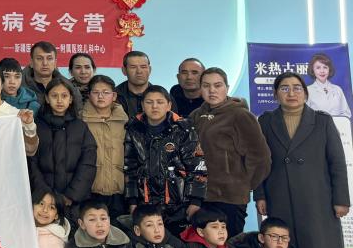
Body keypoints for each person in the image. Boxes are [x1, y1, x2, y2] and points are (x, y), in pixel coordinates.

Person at [254, 71, 349, 248]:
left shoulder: (322, 121)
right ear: (276, 94)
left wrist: (341, 199)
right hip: (280, 198)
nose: (291, 93)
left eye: (297, 88)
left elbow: (337, 162)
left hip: (318, 200)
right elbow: (260, 162)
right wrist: (260, 195)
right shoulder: (266, 121)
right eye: (284, 88)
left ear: (305, 93)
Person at [191, 67, 271, 238]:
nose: (212, 90)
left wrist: (244, 184)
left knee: (229, 245)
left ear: (227, 88)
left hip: (230, 197)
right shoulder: (195, 116)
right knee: (203, 246)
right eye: (206, 85)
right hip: (201, 196)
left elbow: (261, 158)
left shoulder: (240, 115)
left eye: (217, 85)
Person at [124, 87, 205, 237]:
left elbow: (197, 167)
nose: (154, 106)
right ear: (142, 105)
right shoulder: (134, 129)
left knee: (177, 246)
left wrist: (196, 201)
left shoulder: (184, 129)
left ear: (168, 105)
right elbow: (130, 168)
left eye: (160, 102)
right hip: (145, 204)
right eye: (149, 102)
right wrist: (132, 201)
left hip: (179, 205)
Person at [28, 77, 95, 217]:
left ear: (71, 99)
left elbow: (88, 163)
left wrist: (71, 195)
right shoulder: (36, 126)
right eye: (54, 96)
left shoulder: (80, 127)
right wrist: (44, 194)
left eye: (64, 96)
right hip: (42, 201)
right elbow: (31, 161)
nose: (59, 100)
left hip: (74, 202)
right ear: (47, 99)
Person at [79, 75, 129, 219]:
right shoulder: (80, 121)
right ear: (89, 95)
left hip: (120, 192)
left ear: (114, 96)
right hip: (89, 190)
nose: (100, 96)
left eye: (106, 92)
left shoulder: (126, 122)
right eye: (96, 92)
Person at [23, 42, 82, 111]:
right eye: (39, 58)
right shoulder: (18, 87)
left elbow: (77, 113)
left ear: (55, 63)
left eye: (49, 58)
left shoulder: (70, 88)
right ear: (31, 62)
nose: (45, 63)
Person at [306, 53, 352, 118]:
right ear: (312, 70)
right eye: (318, 68)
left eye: (325, 67)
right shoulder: (307, 91)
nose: (322, 71)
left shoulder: (337, 89)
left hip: (337, 124)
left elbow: (347, 113)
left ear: (329, 69)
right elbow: (305, 116)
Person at [115, 51, 156, 119]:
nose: (139, 71)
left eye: (143, 67)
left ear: (150, 70)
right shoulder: (112, 97)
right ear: (124, 70)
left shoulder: (163, 97)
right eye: (133, 67)